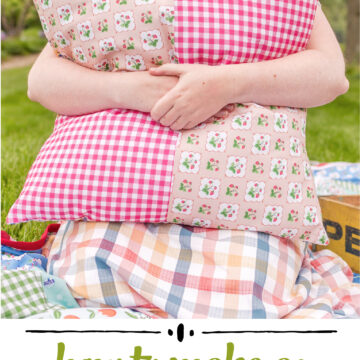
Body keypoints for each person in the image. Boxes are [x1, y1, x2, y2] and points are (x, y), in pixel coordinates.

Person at [26, 2, 353, 318]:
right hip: (122, 188)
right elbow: (42, 80)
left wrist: (227, 85)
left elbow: (330, 73)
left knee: (246, 289)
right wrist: (126, 89)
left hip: (242, 197)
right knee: (93, 268)